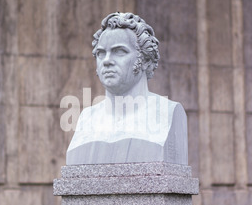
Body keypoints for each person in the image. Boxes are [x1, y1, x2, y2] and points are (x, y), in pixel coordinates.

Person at [66, 12, 188, 165]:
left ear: (145, 60)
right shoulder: (86, 118)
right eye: (101, 53)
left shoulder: (169, 113)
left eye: (119, 51)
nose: (107, 61)